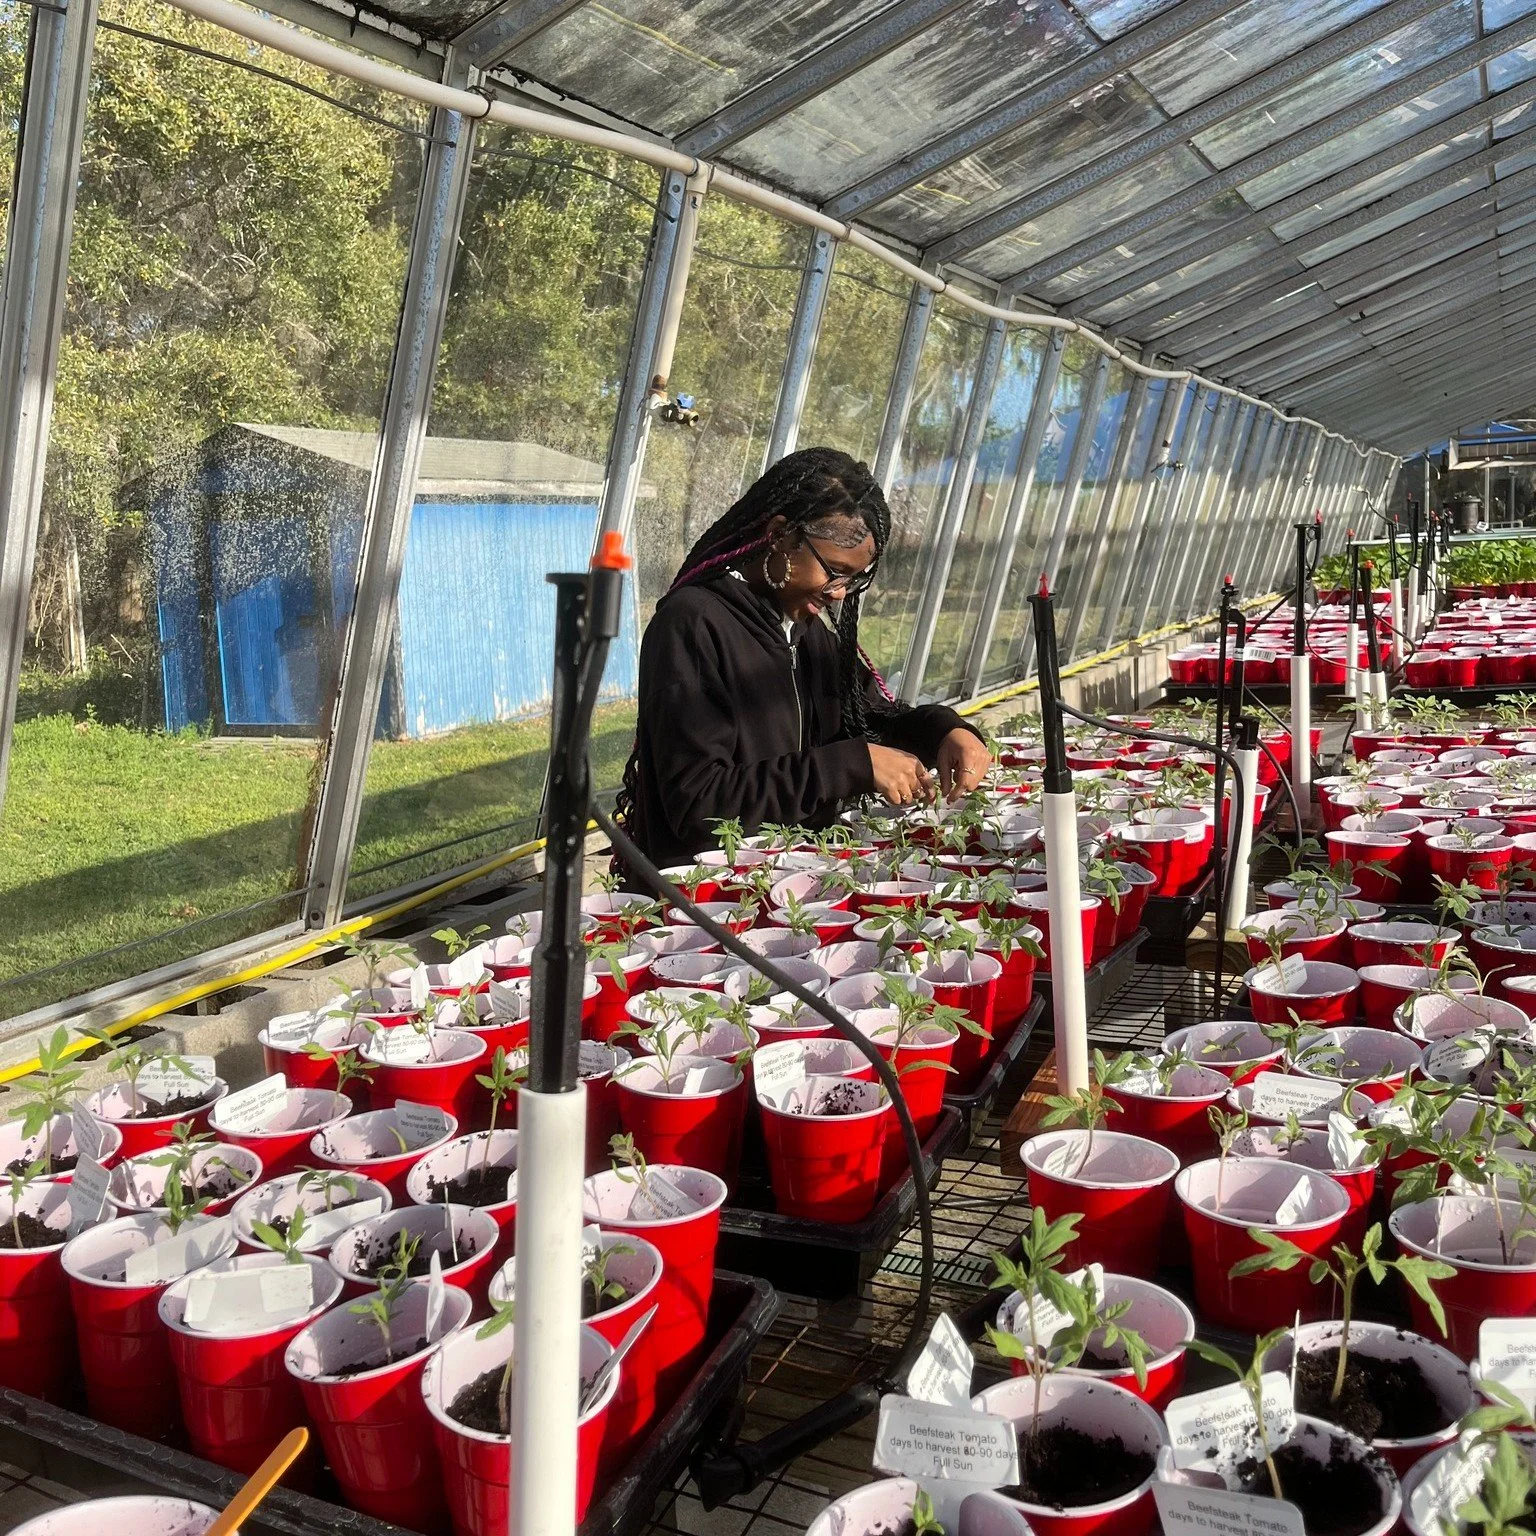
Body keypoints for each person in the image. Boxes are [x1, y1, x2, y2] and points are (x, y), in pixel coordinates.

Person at [615, 446, 993, 871]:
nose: (840, 592)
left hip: (793, 881)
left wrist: (944, 732)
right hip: (709, 892)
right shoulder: (693, 624)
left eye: (853, 579)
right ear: (780, 535)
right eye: (833, 570)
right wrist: (849, 765)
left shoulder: (808, 633)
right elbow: (698, 803)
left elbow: (871, 719)